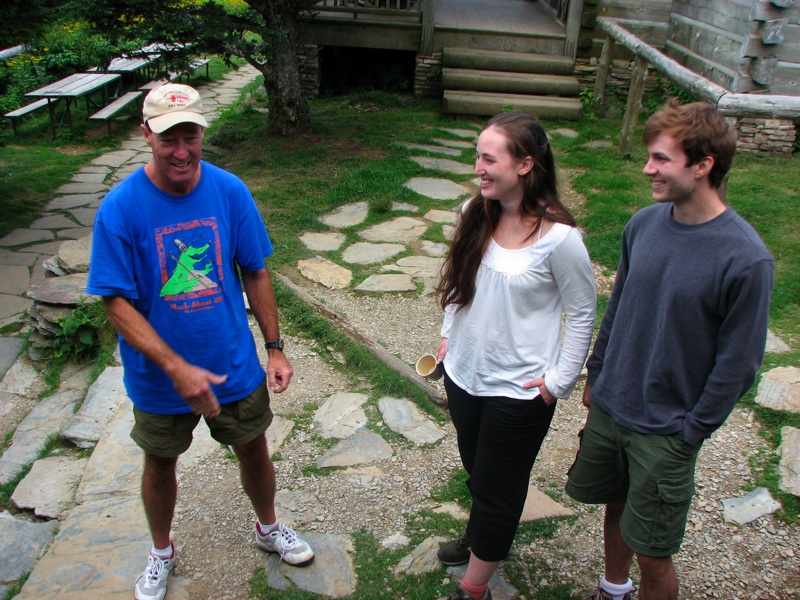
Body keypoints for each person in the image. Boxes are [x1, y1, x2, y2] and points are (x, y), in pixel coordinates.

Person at [86, 84, 314, 600]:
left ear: (202, 132)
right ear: (146, 134)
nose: (182, 151)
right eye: (168, 138)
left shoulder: (229, 191)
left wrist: (275, 346)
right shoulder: (120, 209)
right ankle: (161, 551)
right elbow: (115, 303)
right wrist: (175, 367)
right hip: (159, 379)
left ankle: (267, 528)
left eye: (190, 135)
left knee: (253, 447)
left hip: (231, 362)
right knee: (160, 460)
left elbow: (254, 270)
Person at [565, 100, 774, 600]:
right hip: (613, 406)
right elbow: (617, 306)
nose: (647, 168)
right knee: (616, 503)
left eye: (661, 158)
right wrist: (597, 373)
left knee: (654, 549)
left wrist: (692, 429)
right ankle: (614, 588)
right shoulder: (644, 224)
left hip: (667, 427)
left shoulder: (745, 259)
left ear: (703, 166)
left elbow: (739, 363)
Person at [435, 112, 597, 600]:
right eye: (477, 156)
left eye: (489, 158)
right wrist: (447, 336)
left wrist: (557, 383)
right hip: (463, 375)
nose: (477, 167)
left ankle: (474, 586)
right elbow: (459, 284)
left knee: (500, 488)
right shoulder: (474, 212)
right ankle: (480, 535)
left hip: (520, 390)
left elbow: (583, 315)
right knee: (478, 471)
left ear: (526, 165)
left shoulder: (560, 239)